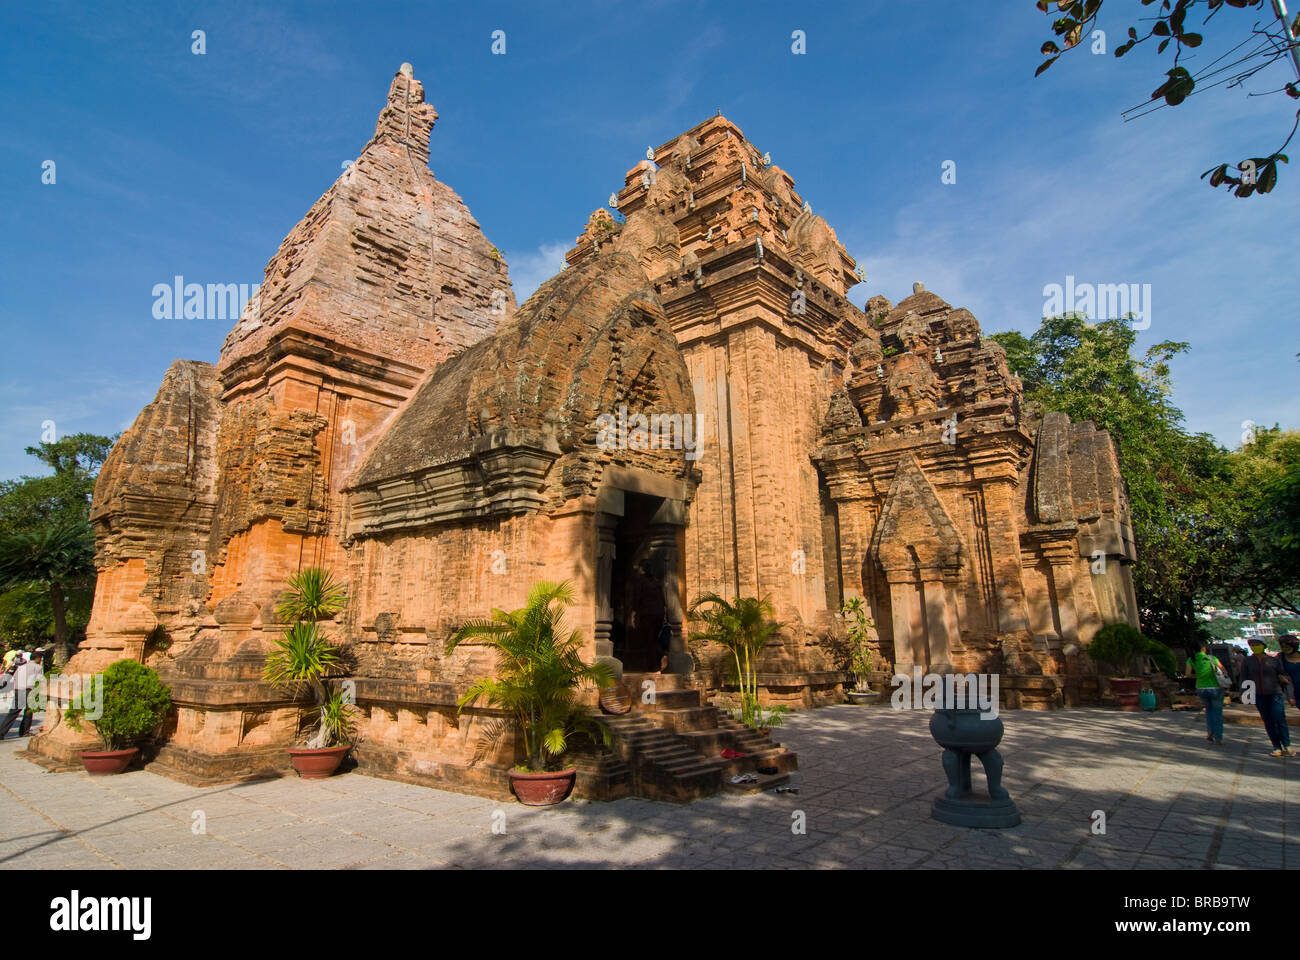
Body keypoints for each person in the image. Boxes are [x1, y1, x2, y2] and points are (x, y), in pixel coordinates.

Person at [1241, 638, 1294, 757]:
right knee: (1268, 722)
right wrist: (1244, 694)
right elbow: (1244, 678)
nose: (1254, 646)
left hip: (1275, 693)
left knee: (1280, 719)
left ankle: (1287, 744)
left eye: (1257, 644)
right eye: (1252, 645)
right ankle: (1276, 746)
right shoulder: (1248, 661)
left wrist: (1290, 696)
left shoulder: (1273, 660)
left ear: (1263, 645)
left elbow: (1285, 677)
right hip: (1259, 695)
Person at [1186, 641, 1226, 745]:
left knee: (1208, 710)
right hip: (1215, 687)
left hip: (1201, 688)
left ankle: (1210, 731)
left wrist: (1199, 676)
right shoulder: (1211, 658)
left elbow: (1188, 674)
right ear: (1203, 648)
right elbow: (1223, 670)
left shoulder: (1191, 660)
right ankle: (1218, 736)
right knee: (1217, 712)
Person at [0, 651, 43, 739]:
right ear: (38, 658)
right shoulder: (38, 667)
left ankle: (1, 733)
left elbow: (14, 678)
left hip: (18, 690)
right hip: (29, 691)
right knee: (28, 712)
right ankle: (24, 731)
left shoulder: (21, 667)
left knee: (13, 713)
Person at [1279, 634, 1300, 719]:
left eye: (1287, 646)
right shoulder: (1280, 659)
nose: (1285, 649)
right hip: (1293, 693)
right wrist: (1279, 677)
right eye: (1282, 646)